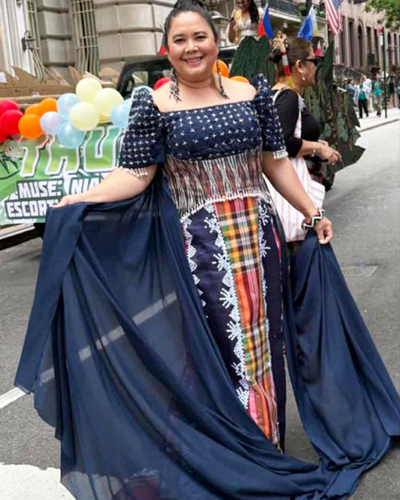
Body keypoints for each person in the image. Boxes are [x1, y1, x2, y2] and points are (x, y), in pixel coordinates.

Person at [15, 1, 399, 499]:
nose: (191, 47)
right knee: (215, 350)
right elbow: (135, 175)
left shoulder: (251, 93)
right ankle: (234, 456)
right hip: (200, 249)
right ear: (167, 49)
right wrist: (83, 198)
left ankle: (265, 447)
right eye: (180, 40)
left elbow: (274, 163)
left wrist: (311, 212)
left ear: (216, 41)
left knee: (262, 346)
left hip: (260, 240)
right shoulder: (154, 106)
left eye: (199, 36)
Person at [268, 36, 341, 249]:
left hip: (284, 187)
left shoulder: (279, 94)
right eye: (314, 61)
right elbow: (283, 142)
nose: (316, 67)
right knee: (301, 255)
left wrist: (316, 145)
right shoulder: (288, 96)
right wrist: (317, 148)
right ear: (300, 66)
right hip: (290, 187)